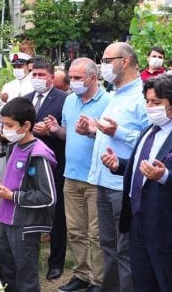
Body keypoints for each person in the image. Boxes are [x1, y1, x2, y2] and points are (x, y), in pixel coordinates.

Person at [100, 75, 172, 291]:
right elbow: (140, 168)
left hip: (169, 229)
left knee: (170, 283)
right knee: (143, 282)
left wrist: (165, 176)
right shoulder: (148, 131)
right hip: (138, 221)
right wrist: (117, 165)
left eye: (157, 103)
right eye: (148, 101)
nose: (150, 107)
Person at [83, 42, 148, 292]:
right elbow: (111, 134)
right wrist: (92, 131)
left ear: (125, 61)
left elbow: (148, 140)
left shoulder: (142, 96)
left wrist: (117, 131)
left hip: (123, 185)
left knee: (125, 249)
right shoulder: (116, 93)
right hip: (102, 181)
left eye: (107, 60)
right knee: (107, 244)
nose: (103, 65)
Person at [45, 57, 110, 292]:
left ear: (93, 78)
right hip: (71, 175)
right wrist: (56, 130)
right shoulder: (70, 101)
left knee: (97, 233)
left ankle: (98, 280)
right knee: (74, 230)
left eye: (77, 78)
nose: (72, 82)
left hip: (96, 176)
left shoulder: (108, 102)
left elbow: (111, 139)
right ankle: (81, 275)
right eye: (70, 77)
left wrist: (92, 132)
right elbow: (68, 134)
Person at [0, 97, 57, 292]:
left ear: (26, 125)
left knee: (26, 276)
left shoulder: (38, 153)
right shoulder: (14, 146)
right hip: (6, 219)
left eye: (9, 125)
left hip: (24, 224)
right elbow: (16, 183)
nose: (5, 130)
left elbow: (47, 196)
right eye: (4, 125)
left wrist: (12, 196)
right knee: (9, 272)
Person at [21, 57, 68, 281]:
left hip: (55, 162)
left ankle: (56, 262)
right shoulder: (26, 99)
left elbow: (68, 132)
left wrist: (51, 129)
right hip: (30, 164)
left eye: (42, 75)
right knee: (32, 211)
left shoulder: (63, 99)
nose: (37, 79)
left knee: (57, 215)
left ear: (51, 77)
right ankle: (30, 258)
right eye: (34, 75)